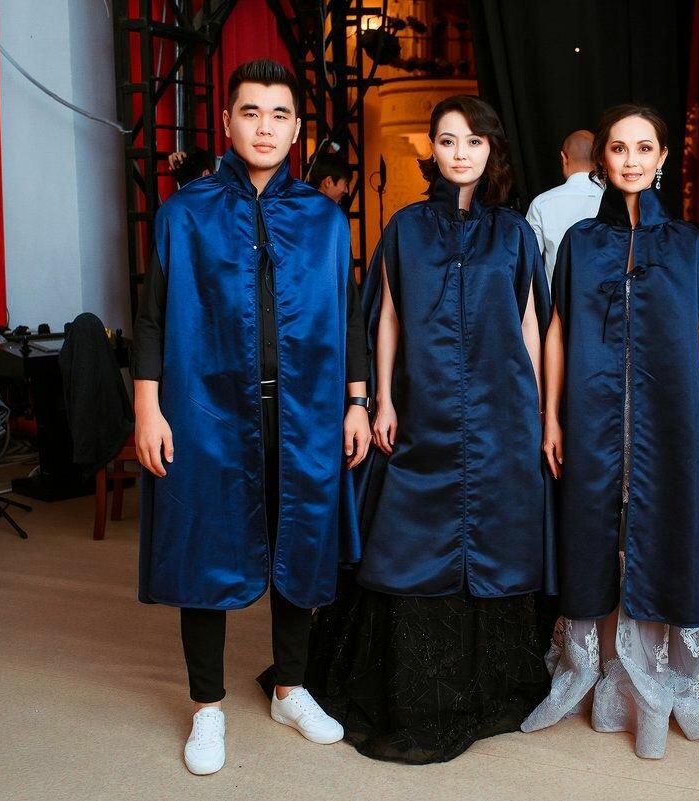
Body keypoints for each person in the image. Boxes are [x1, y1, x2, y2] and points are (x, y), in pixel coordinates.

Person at [520, 105, 699, 760]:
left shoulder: (687, 243)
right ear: (602, 160)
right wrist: (551, 416)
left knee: (663, 526)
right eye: (619, 148)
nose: (632, 160)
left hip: (669, 415)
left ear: (663, 158)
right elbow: (557, 332)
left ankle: (663, 672)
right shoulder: (580, 242)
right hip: (590, 412)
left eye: (645, 148)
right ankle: (600, 665)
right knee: (594, 526)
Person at [132, 59, 372, 776]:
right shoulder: (185, 213)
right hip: (206, 412)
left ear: (297, 130)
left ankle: (290, 689)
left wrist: (357, 401)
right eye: (251, 112)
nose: (265, 127)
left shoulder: (324, 220)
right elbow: (152, 317)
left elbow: (348, 315)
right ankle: (206, 706)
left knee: (300, 543)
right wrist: (147, 408)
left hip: (306, 411)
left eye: (279, 115)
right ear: (227, 121)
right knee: (204, 548)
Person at [303, 94, 553, 765]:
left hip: (502, 409)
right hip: (421, 406)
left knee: (495, 539)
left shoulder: (515, 233)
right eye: (448, 140)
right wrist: (380, 400)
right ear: (432, 151)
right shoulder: (405, 227)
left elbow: (530, 325)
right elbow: (386, 316)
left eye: (474, 140)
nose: (461, 152)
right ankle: (412, 686)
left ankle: (490, 686)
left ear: (492, 151)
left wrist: (537, 411)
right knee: (408, 535)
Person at [525, 130, 603, 284]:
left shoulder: (541, 203)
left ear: (564, 158)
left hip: (558, 298)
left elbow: (527, 265)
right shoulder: (616, 201)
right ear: (601, 159)